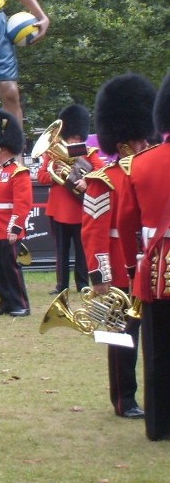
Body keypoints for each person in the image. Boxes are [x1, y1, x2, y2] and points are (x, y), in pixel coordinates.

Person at [83, 73, 156, 420]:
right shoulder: (103, 180)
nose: (145, 143)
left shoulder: (149, 169)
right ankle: (124, 399)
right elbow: (94, 233)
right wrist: (101, 276)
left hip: (151, 268)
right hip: (118, 271)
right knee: (121, 339)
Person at [117, 73, 170, 441]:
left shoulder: (141, 164)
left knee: (156, 349)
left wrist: (134, 266)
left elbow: (125, 223)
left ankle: (159, 424)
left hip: (156, 269)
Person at [37, 104, 103, 294]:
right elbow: (42, 176)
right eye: (73, 136)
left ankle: (82, 284)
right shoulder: (53, 154)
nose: (75, 139)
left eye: (78, 136)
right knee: (61, 250)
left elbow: (100, 172)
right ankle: (61, 285)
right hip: (58, 209)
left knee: (82, 251)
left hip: (80, 209)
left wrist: (86, 180)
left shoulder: (89, 153)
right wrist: (56, 173)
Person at [0, 111, 32, 317]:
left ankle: (21, 303)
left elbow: (22, 203)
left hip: (8, 227)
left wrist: (15, 227)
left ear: (3, 148)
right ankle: (5, 302)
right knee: (0, 268)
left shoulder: (18, 172)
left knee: (11, 267)